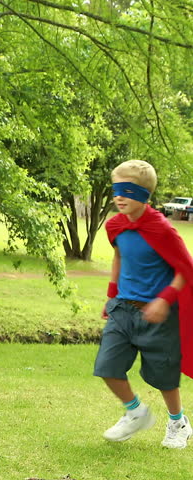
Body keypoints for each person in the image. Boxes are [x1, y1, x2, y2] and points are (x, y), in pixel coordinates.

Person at [96, 159, 193, 449]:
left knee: (163, 376)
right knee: (107, 367)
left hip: (159, 316)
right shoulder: (115, 226)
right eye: (116, 189)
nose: (119, 196)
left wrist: (164, 300)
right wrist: (111, 295)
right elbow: (119, 257)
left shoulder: (162, 230)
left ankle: (178, 422)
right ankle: (135, 411)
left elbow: (185, 269)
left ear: (145, 194)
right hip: (122, 309)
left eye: (127, 190)